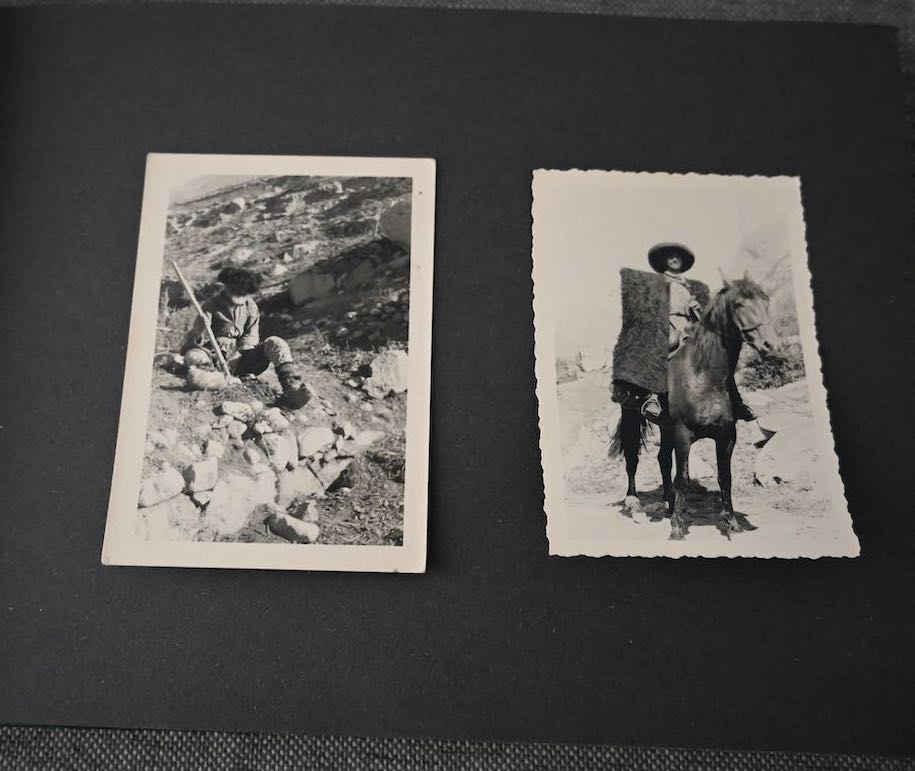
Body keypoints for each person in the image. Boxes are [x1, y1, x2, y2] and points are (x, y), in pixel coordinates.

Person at [640, 243, 755, 422]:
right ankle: (654, 400)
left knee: (718, 359)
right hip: (667, 329)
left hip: (689, 331)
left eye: (678, 256)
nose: (675, 259)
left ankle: (735, 402)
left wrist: (696, 310)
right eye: (670, 256)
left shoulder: (685, 287)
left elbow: (698, 318)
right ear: (663, 261)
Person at [181, 267, 312, 409]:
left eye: (243, 293)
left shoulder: (250, 306)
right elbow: (194, 339)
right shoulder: (211, 305)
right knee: (194, 355)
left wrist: (238, 355)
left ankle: (291, 389)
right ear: (226, 287)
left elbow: (251, 336)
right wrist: (199, 328)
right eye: (235, 291)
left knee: (276, 343)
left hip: (243, 359)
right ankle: (211, 378)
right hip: (215, 357)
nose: (239, 297)